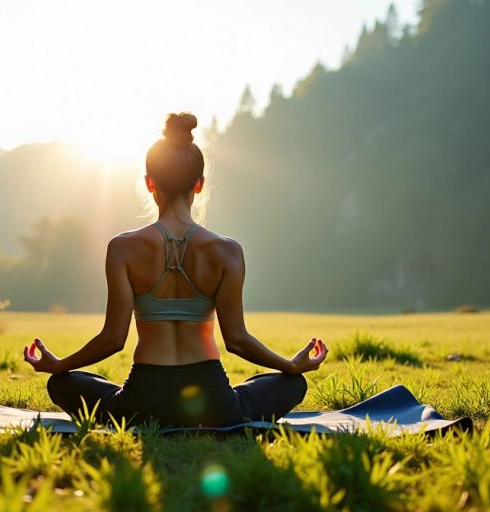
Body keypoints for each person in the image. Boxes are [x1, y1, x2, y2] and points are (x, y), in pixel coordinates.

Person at [22, 112, 328, 427]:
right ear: (199, 184)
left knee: (61, 383)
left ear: (149, 182)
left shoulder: (122, 248)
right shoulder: (228, 251)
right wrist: (291, 366)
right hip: (212, 403)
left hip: (142, 402)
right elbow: (237, 340)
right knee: (292, 384)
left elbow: (113, 339)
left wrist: (58, 366)